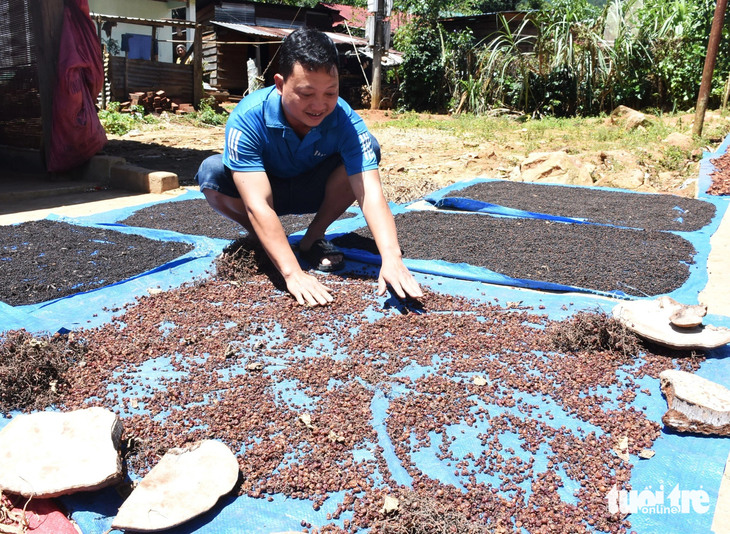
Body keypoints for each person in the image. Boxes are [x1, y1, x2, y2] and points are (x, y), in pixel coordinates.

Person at [194, 27, 422, 306]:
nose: (319, 105)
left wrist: (391, 257)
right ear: (279, 84)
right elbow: (258, 204)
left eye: (330, 93)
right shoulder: (248, 119)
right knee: (212, 173)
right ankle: (263, 240)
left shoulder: (345, 121)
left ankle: (312, 238)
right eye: (306, 93)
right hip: (266, 191)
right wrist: (293, 274)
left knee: (369, 149)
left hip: (312, 189)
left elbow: (371, 194)